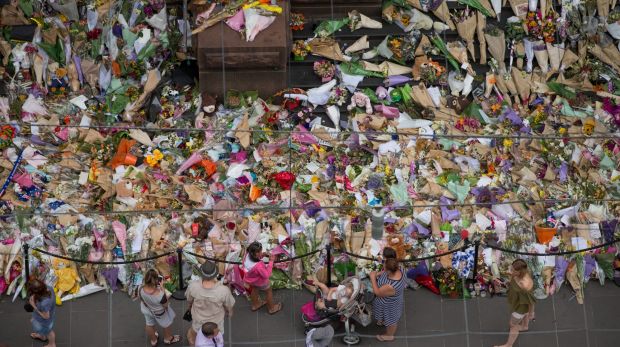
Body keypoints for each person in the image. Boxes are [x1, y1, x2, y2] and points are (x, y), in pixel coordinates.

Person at [186, 261, 235, 346]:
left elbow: (189, 300)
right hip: (216, 322)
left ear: (201, 273)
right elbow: (229, 305)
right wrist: (229, 312)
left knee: (193, 336)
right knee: (217, 336)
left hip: (198, 320)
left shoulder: (193, 286)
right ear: (215, 274)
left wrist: (190, 308)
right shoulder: (223, 290)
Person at [494, 259, 536, 347]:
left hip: (520, 308)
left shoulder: (525, 284)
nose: (511, 271)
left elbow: (531, 302)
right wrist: (506, 282)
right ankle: (525, 327)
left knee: (513, 325)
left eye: (513, 270)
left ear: (520, 271)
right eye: (511, 268)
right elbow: (514, 280)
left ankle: (509, 345)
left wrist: (531, 313)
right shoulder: (518, 275)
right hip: (518, 302)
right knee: (525, 314)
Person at [369, 247, 406, 342]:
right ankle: (383, 320)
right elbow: (388, 267)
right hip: (390, 300)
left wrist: (373, 277)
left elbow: (377, 292)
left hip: (389, 305)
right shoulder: (400, 268)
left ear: (389, 271)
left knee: (391, 321)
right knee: (386, 317)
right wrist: (381, 268)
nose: (383, 268)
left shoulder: (390, 285)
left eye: (384, 267)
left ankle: (389, 335)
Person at [139, 269, 181, 346]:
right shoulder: (160, 295)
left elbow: (141, 299)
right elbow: (165, 305)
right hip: (159, 312)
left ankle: (153, 340)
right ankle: (168, 338)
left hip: (147, 310)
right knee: (166, 324)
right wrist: (163, 289)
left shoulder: (141, 288)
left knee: (149, 324)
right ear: (156, 280)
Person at [242, 241, 282, 314]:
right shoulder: (259, 265)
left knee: (254, 289)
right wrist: (271, 261)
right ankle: (271, 308)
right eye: (260, 251)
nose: (262, 252)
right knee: (268, 291)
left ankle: (255, 305)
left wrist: (261, 255)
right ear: (256, 253)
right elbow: (267, 274)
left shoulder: (247, 254)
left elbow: (253, 258)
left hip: (250, 279)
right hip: (260, 281)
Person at [28, 278, 56, 347]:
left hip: (44, 321)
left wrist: (34, 306)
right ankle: (42, 336)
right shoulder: (48, 288)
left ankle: (52, 344)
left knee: (49, 331)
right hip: (43, 316)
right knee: (43, 330)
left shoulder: (44, 303)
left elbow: (46, 316)